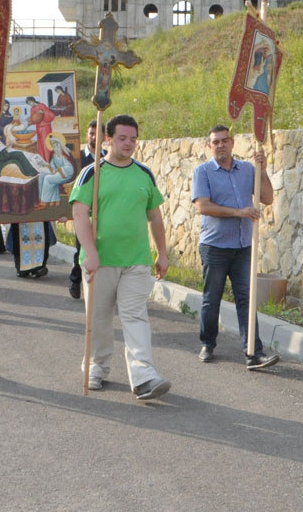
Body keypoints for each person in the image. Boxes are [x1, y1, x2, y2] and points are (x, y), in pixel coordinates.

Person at [70, 114, 170, 400]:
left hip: (136, 261)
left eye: (133, 138)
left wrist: (161, 253)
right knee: (99, 320)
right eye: (123, 138)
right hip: (99, 262)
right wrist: (90, 253)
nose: (129, 144)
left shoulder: (144, 174)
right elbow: (79, 214)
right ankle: (96, 367)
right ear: (108, 139)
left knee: (135, 317)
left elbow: (155, 217)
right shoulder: (92, 173)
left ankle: (144, 377)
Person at [191, 125, 279, 370]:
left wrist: (262, 170)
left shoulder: (248, 169)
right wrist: (238, 212)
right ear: (209, 146)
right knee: (212, 298)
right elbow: (203, 207)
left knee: (246, 299)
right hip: (215, 246)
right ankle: (207, 343)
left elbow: (268, 198)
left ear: (232, 143)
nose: (220, 145)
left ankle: (253, 352)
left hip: (243, 246)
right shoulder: (203, 172)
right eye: (215, 142)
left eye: (224, 141)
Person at [68, 119, 103, 300]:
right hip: (82, 212)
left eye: (98, 134)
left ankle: (98, 287)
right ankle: (76, 280)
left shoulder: (107, 158)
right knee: (81, 248)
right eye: (91, 133)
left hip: (102, 212)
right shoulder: (77, 158)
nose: (94, 137)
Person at [37, 134, 74, 204]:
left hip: (66, 174)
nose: (54, 146)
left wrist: (59, 169)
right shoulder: (54, 154)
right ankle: (48, 199)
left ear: (59, 143)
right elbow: (53, 166)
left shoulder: (64, 153)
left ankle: (44, 202)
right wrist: (47, 165)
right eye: (52, 145)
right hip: (58, 172)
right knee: (41, 176)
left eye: (55, 144)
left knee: (47, 178)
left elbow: (70, 168)